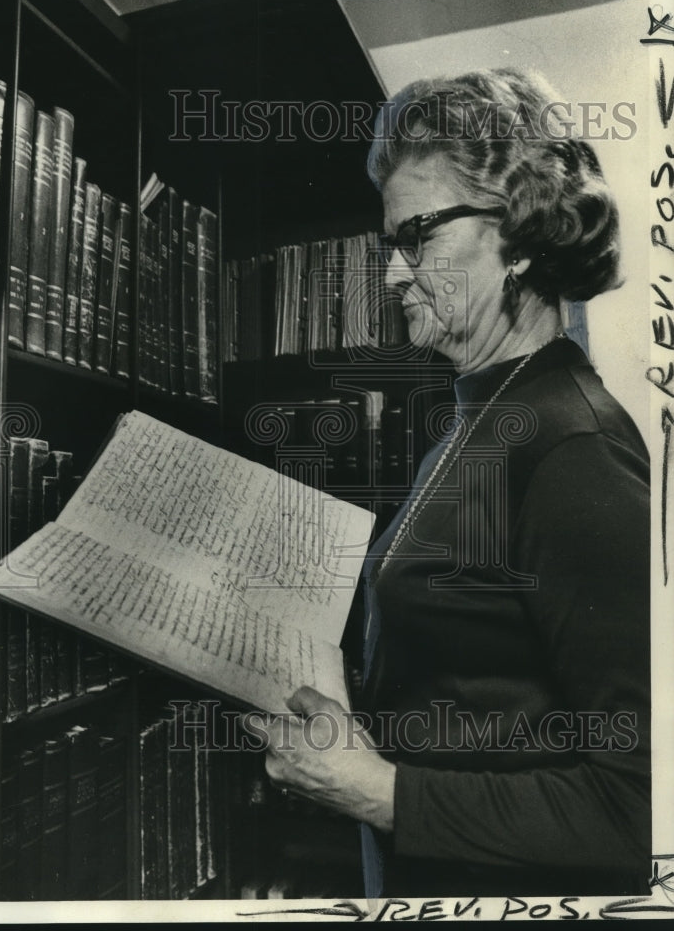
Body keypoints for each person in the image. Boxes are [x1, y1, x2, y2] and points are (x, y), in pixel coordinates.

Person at [252, 69, 651, 899]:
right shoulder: (478, 419)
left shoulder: (572, 445)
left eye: (419, 235)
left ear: (522, 235)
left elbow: (637, 807)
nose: (394, 274)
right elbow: (474, 688)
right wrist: (354, 738)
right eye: (390, 244)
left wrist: (377, 791)